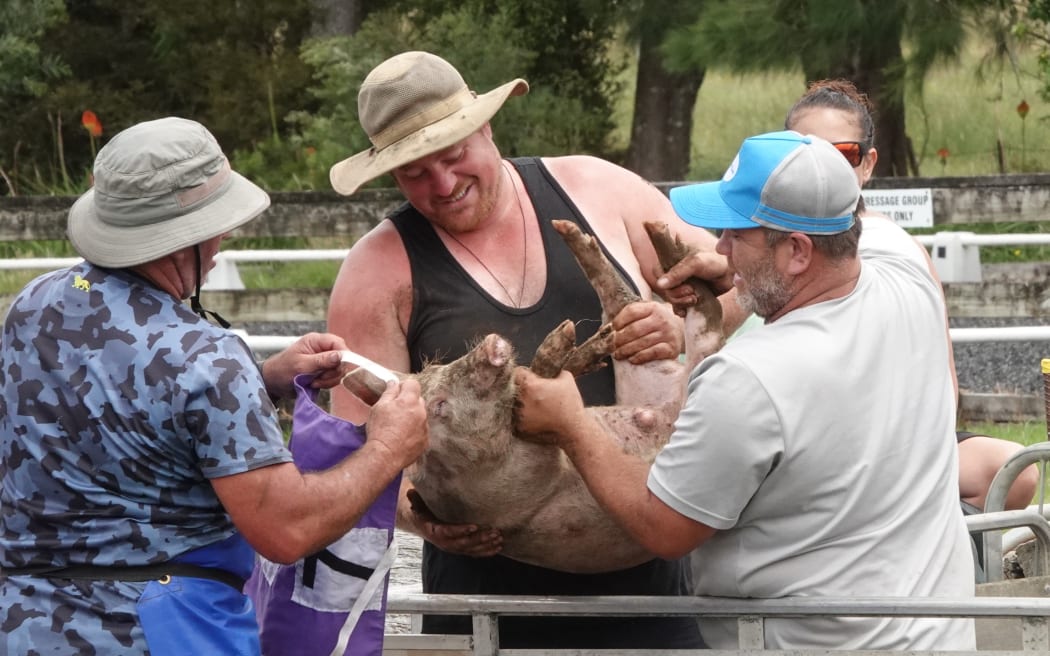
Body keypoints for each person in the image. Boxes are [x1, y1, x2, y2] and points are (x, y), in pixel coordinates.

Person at [326, 50, 738, 649]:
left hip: (646, 575)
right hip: (482, 595)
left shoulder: (599, 189)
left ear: (484, 125)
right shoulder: (376, 272)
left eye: (452, 155)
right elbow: (355, 449)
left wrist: (678, 326)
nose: (443, 184)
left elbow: (732, 291)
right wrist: (427, 524)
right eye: (415, 172)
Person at [515, 130, 977, 649]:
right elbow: (876, 229)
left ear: (798, 252)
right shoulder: (906, 273)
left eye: (737, 234)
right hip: (939, 638)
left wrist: (571, 425)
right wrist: (738, 282)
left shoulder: (748, 378)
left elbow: (665, 528)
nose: (718, 247)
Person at [0, 117, 429, 654]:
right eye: (217, 221)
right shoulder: (206, 357)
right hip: (165, 630)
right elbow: (286, 529)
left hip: (26, 620)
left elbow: (124, 406)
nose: (225, 235)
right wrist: (389, 447)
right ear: (187, 238)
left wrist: (263, 380)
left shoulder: (33, 306)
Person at [783, 79, 1040, 516]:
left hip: (897, 440)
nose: (822, 168)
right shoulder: (768, 246)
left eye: (841, 154)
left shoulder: (897, 246)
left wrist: (921, 447)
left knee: (1016, 469)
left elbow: (944, 377)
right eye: (806, 152)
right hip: (818, 442)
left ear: (867, 164)